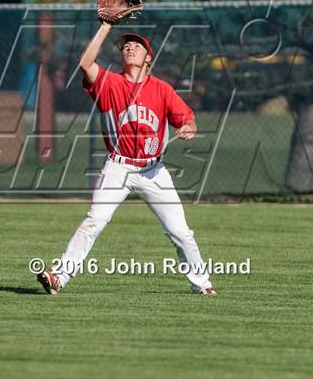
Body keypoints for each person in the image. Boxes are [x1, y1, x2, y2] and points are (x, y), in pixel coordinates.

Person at [37, 21, 217, 296]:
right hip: (118, 167)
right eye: (125, 47)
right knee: (94, 221)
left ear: (149, 57)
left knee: (180, 233)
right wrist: (105, 26)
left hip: (154, 172)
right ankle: (58, 277)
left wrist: (188, 129)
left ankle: (202, 285)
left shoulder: (162, 90)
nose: (130, 48)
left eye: (137, 46)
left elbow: (188, 121)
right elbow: (86, 64)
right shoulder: (110, 83)